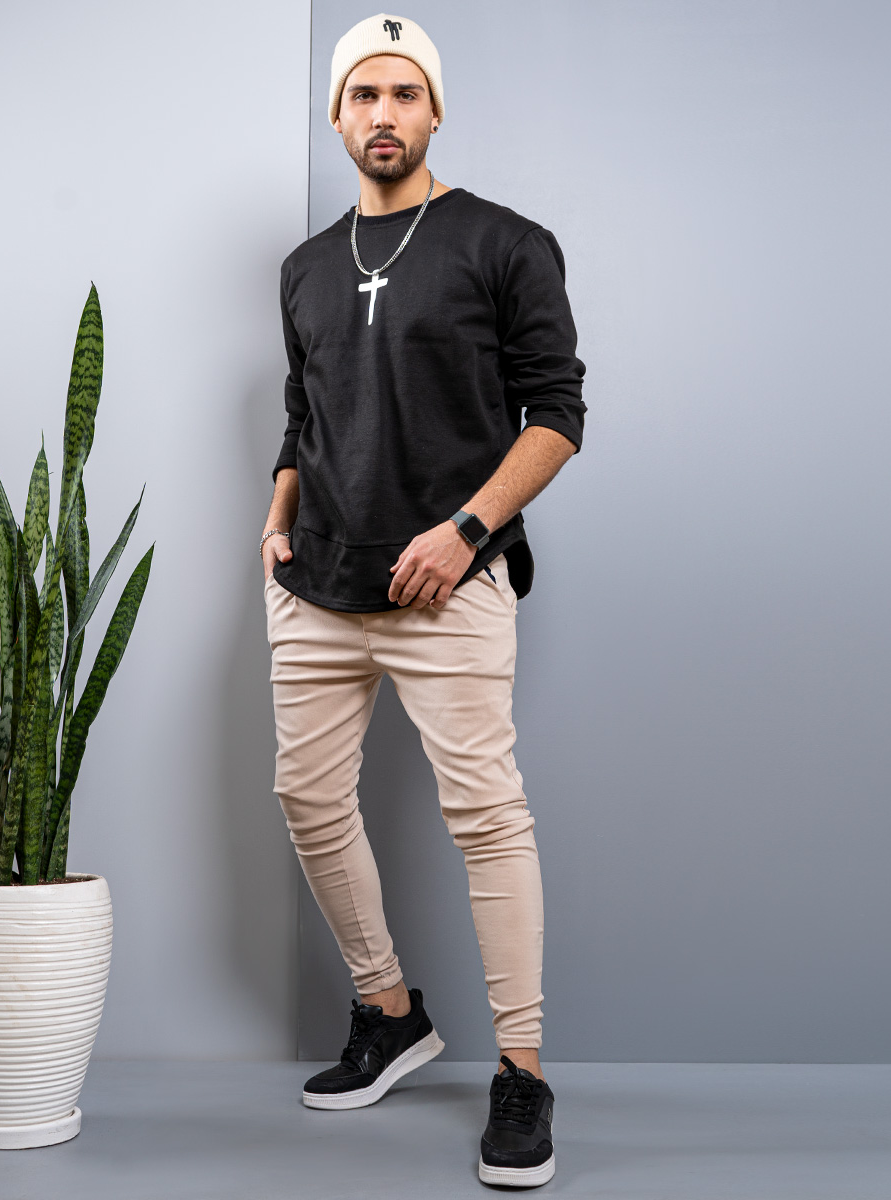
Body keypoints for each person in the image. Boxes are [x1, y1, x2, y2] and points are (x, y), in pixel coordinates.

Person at [260, 12, 584, 1189]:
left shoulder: (506, 243)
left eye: (405, 94)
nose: (384, 114)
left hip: (450, 585)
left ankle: (522, 1074)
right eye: (364, 95)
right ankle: (389, 1009)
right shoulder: (304, 267)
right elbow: (305, 411)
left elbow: (558, 414)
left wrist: (466, 531)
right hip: (318, 583)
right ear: (337, 115)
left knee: (487, 818)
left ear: (435, 110)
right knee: (307, 798)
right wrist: (276, 514)